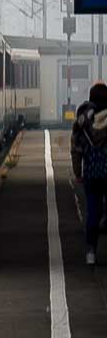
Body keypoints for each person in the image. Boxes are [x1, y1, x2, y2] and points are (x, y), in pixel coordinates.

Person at [73, 82, 107, 265]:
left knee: (93, 212)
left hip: (92, 172)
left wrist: (77, 172)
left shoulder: (83, 118)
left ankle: (91, 252)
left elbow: (77, 147)